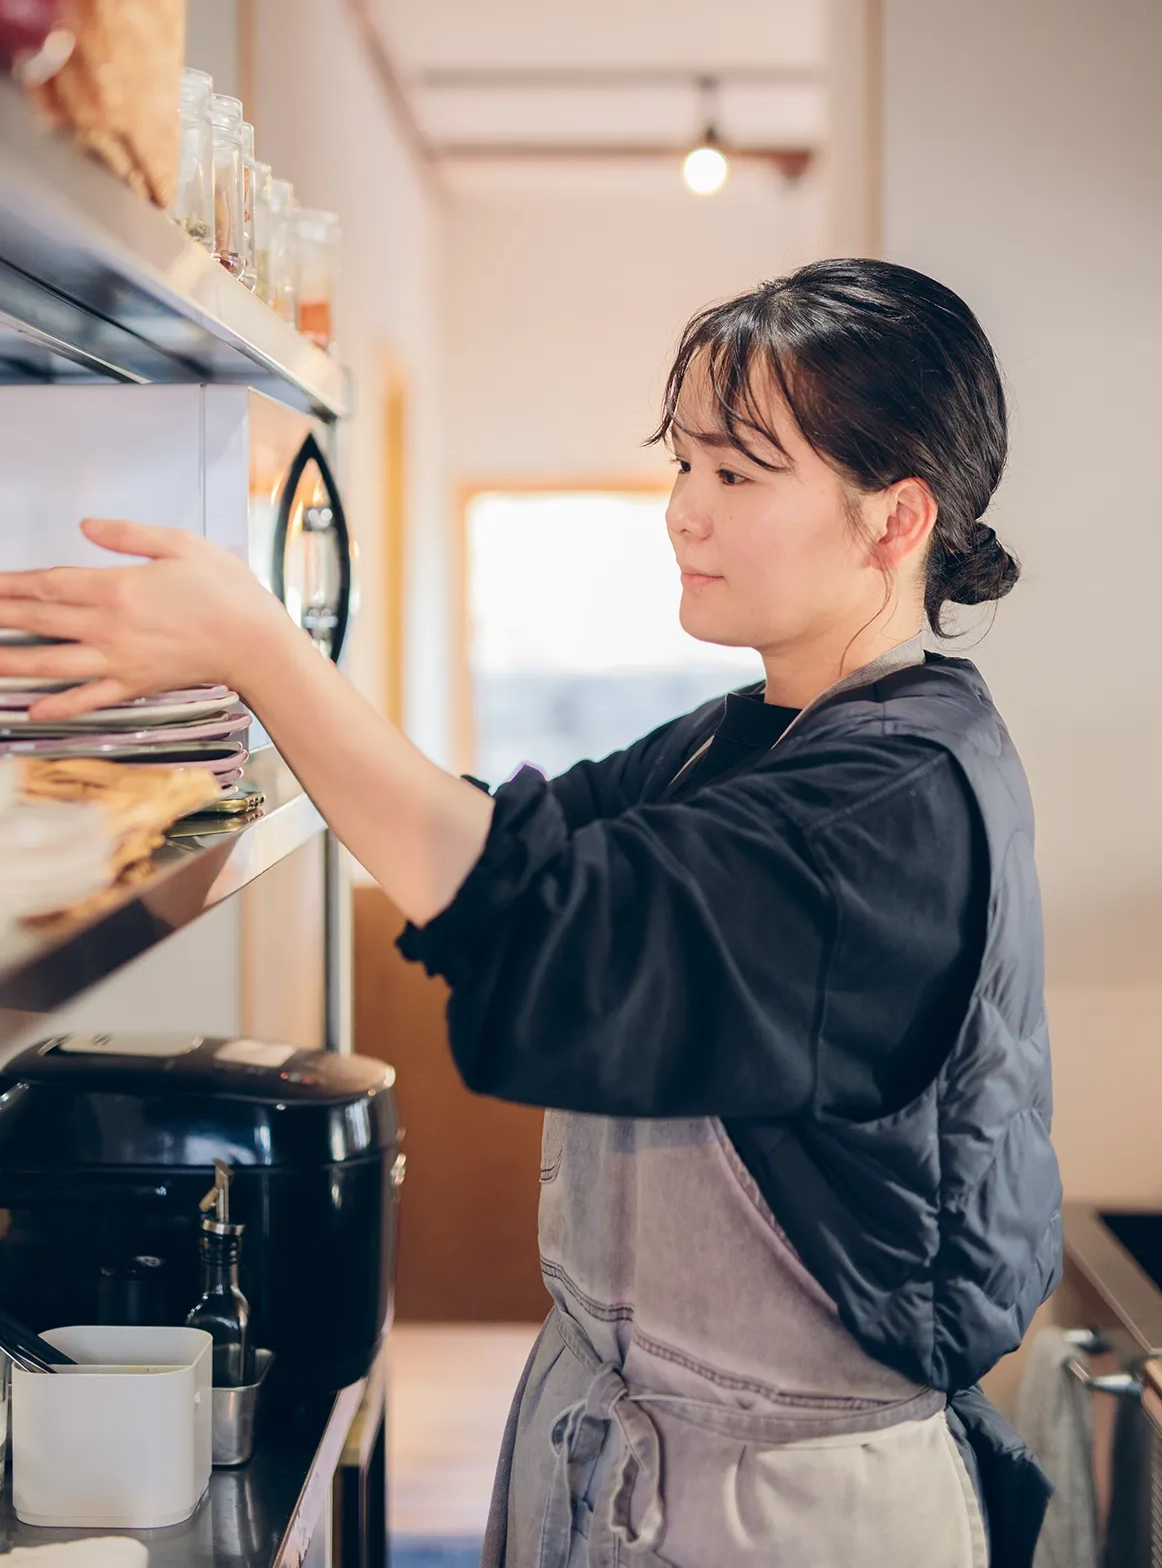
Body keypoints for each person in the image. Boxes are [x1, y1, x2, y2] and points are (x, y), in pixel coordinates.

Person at [0, 258, 1061, 1568]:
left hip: (792, 1505)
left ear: (894, 517)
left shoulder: (896, 793)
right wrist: (238, 696)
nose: (682, 512)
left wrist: (265, 650)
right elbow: (494, 844)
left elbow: (557, 922)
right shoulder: (734, 740)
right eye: (682, 465)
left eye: (736, 474)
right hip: (614, 1445)